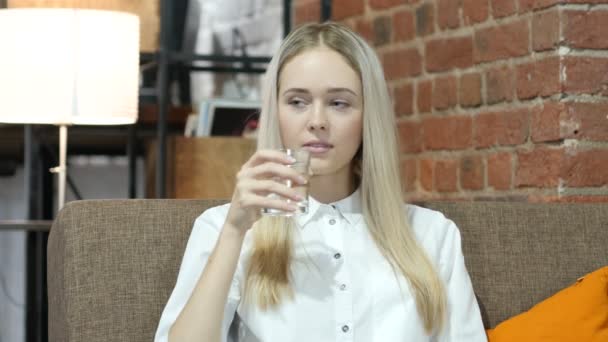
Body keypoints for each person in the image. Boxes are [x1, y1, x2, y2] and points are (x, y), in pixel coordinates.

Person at [154, 22, 486, 342]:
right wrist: (233, 231)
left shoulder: (433, 235)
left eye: (339, 103)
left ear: (368, 115)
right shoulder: (222, 229)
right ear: (276, 112)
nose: (317, 121)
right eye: (297, 101)